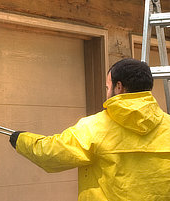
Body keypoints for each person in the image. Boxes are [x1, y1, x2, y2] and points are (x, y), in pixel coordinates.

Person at [9, 58, 170, 200]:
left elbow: (52, 154)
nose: (107, 92)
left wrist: (22, 140)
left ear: (119, 87)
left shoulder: (95, 128)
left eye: (107, 88)